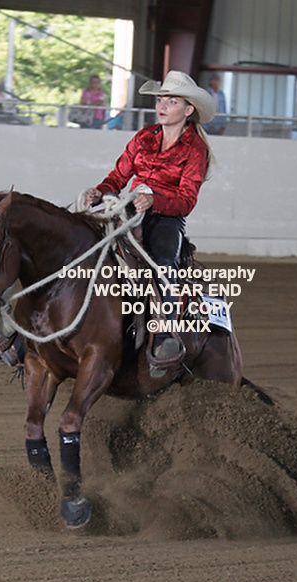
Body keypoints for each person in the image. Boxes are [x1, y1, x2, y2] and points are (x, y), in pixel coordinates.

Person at [83, 70, 216, 365]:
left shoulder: (196, 149)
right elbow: (118, 176)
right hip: (129, 210)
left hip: (165, 219)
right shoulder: (144, 137)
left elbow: (186, 201)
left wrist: (155, 200)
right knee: (85, 246)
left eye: (172, 101)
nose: (162, 106)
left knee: (164, 262)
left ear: (188, 110)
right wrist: (100, 192)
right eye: (160, 100)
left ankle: (164, 332)